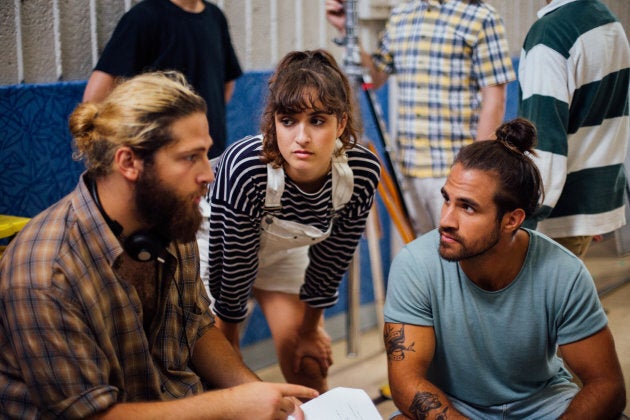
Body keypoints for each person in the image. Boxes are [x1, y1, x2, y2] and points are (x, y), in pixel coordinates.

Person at [0, 71, 318, 419]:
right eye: (189, 157)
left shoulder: (170, 220)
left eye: (205, 154)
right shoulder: (47, 273)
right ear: (129, 162)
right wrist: (232, 405)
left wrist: (254, 392)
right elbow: (87, 416)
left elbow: (197, 327)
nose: (208, 174)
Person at [383, 118, 627, 419]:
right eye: (448, 200)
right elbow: (406, 380)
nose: (446, 219)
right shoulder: (415, 265)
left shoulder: (564, 273)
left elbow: (606, 384)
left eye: (467, 207)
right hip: (455, 406)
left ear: (512, 219)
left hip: (543, 405)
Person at [198, 49, 381, 393]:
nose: (301, 138)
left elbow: (332, 258)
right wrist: (229, 346)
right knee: (219, 379)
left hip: (280, 250)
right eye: (288, 121)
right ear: (273, 122)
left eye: (317, 121)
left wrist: (311, 330)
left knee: (307, 363)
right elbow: (233, 267)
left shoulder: (361, 172)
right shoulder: (246, 168)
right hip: (212, 246)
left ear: (340, 123)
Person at [326, 0, 516, 235]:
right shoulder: (402, 15)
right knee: (421, 261)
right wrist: (347, 32)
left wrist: (475, 169)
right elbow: (374, 76)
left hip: (454, 169)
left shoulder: (481, 16)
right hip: (408, 170)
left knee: (460, 260)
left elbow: (494, 97)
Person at [518, 0, 630, 259]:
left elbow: (543, 147)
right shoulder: (608, 21)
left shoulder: (551, 35)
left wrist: (524, 220)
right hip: (589, 203)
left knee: (537, 300)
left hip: (553, 215)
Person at [82, 0, 242, 159]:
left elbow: (226, 83)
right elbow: (94, 100)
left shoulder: (215, 17)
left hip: (210, 150)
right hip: (164, 161)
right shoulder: (143, 17)